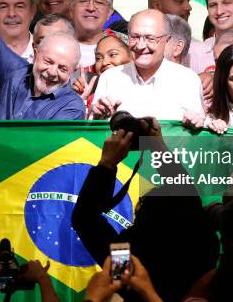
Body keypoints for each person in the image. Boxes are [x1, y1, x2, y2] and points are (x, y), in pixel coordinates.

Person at [73, 125, 219, 301]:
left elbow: (85, 218)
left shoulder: (128, 268)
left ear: (142, 220)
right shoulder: (205, 244)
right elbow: (186, 199)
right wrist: (158, 148)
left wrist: (107, 163)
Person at [91, 9, 203, 120]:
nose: (140, 45)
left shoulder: (187, 80)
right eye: (135, 37)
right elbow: (95, 132)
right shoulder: (109, 78)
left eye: (150, 38)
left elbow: (197, 131)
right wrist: (98, 117)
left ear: (167, 41)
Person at [73, 33, 132, 115]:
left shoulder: (147, 87)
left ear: (132, 55)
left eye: (112, 55)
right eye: (98, 58)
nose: (104, 62)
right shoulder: (92, 99)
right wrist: (81, 101)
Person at [69, 0, 115, 68]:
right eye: (83, 1)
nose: (91, 8)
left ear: (109, 12)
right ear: (71, 8)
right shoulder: (54, 42)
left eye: (99, 2)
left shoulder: (126, 47)